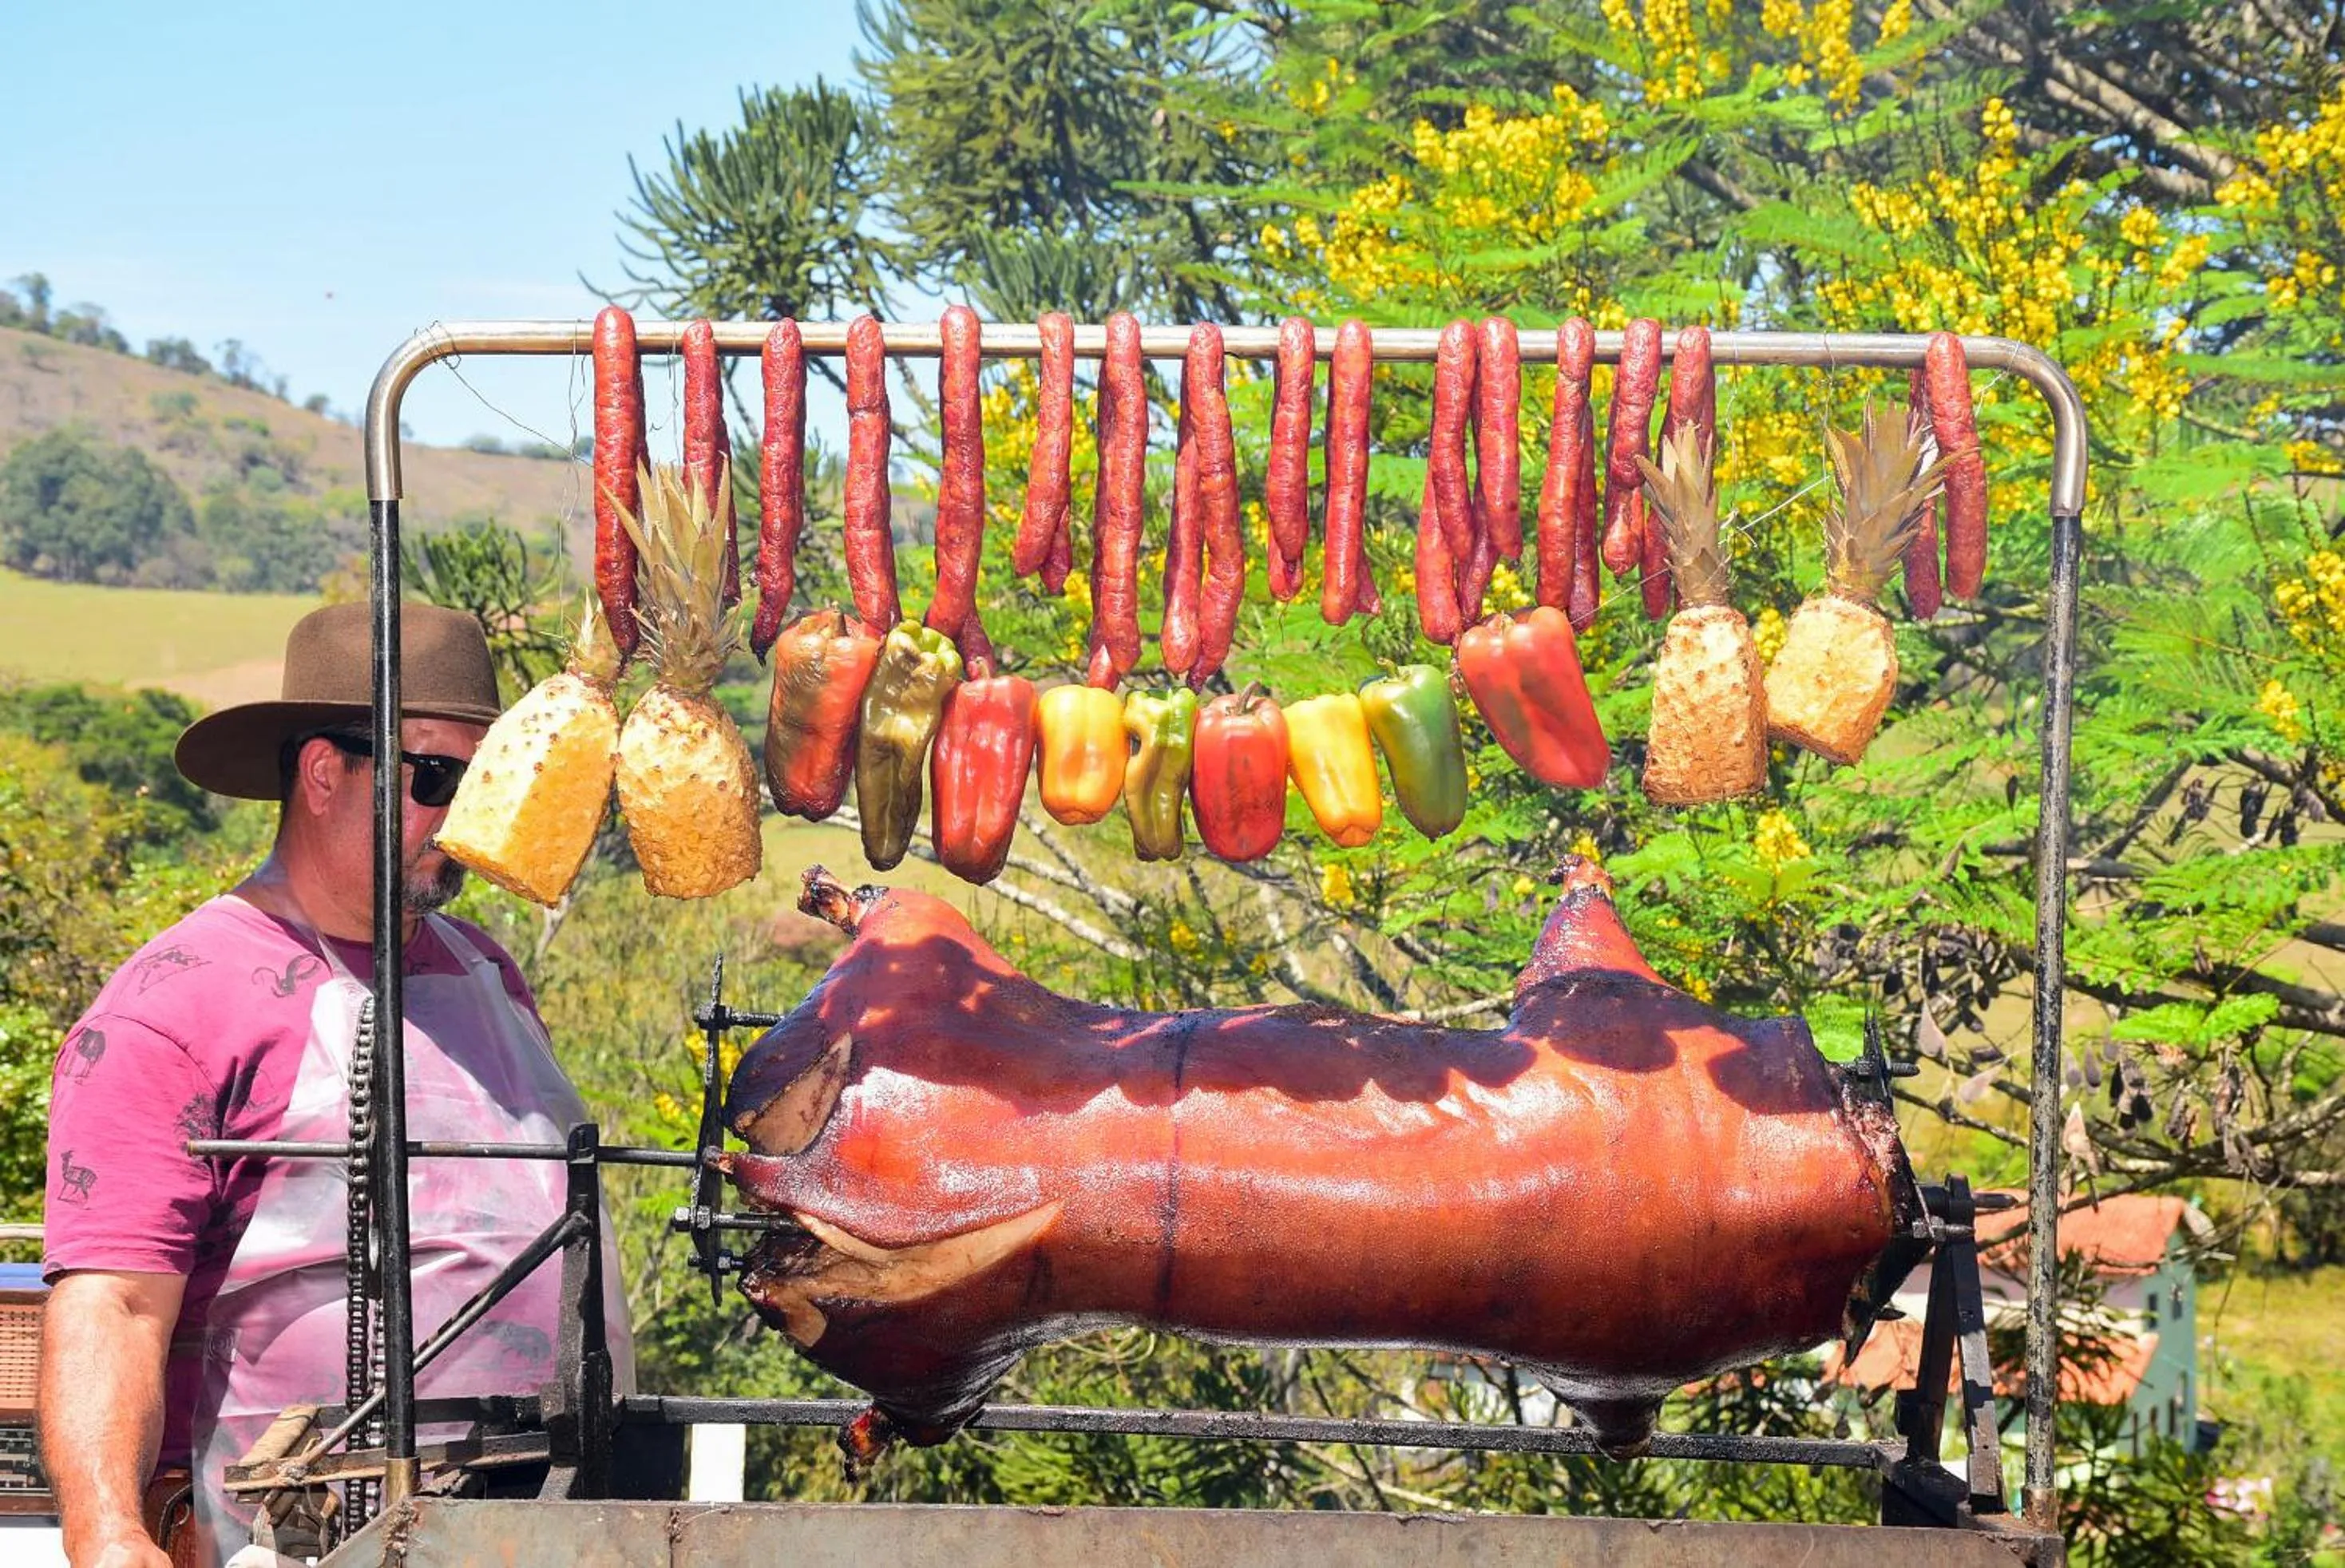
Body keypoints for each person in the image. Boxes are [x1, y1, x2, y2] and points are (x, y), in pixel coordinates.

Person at [38, 602, 631, 1568]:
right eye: (438, 778)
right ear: (323, 772)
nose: (470, 813)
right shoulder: (172, 1005)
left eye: (485, 779)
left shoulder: (487, 970)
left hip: (559, 1507)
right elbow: (114, 1301)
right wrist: (104, 1529)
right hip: (300, 1528)